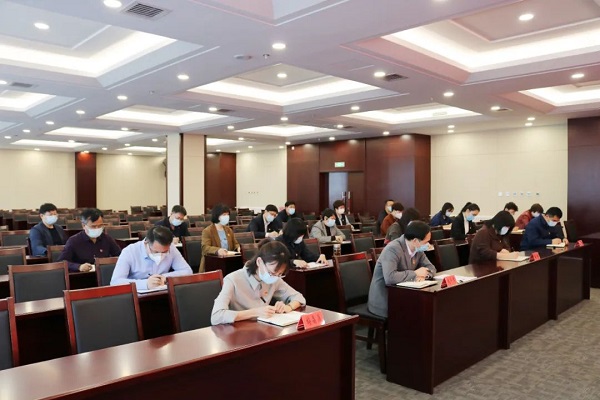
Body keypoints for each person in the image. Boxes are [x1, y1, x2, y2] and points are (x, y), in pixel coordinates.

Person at [211, 240, 306, 325]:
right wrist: (254, 312)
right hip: (239, 332)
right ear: (259, 262)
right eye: (272, 273)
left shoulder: (275, 279)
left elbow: (299, 297)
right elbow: (216, 316)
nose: (275, 277)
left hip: (264, 329)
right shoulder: (232, 280)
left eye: (280, 274)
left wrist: (288, 307)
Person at [367, 221, 436, 318]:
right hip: (385, 299)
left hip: (405, 294)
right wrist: (415, 273)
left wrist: (425, 275)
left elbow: (431, 268)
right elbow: (390, 278)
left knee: (428, 309)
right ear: (415, 241)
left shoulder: (418, 249)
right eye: (425, 242)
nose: (428, 245)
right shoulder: (393, 249)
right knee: (419, 312)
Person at [111, 226, 192, 290]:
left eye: (164, 252)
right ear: (146, 243)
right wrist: (145, 284)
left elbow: (187, 271)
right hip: (137, 297)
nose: (160, 255)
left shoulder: (171, 248)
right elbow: (116, 282)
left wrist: (165, 277)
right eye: (156, 252)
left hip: (163, 293)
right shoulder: (130, 251)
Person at [58, 208, 121, 272]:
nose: (97, 228)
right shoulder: (74, 241)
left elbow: (120, 255)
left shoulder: (107, 239)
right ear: (83, 226)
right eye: (93, 226)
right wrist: (79, 266)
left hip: (104, 274)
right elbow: (62, 262)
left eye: (100, 226)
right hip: (83, 275)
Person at [200, 203, 240, 272]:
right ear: (217, 216)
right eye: (224, 215)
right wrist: (217, 251)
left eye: (227, 214)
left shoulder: (229, 230)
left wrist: (238, 248)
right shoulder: (207, 231)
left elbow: (235, 244)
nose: (226, 217)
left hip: (228, 262)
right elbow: (205, 248)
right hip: (213, 263)